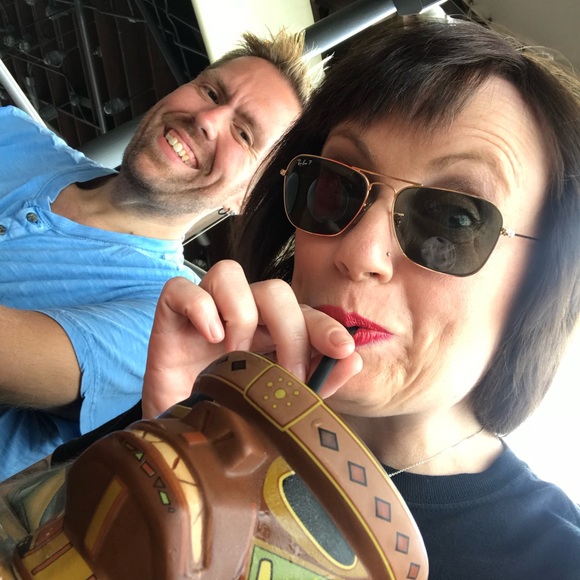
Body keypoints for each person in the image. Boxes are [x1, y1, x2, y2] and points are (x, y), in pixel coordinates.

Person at [1, 14, 579, 579]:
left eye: (455, 219)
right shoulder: (213, 394)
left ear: (543, 284)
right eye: (337, 185)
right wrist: (161, 441)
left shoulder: (552, 561)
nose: (360, 252)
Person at [0, 29, 309, 480]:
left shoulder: (169, 318)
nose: (208, 119)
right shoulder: (21, 135)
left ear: (246, 197)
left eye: (244, 134)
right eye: (211, 91)